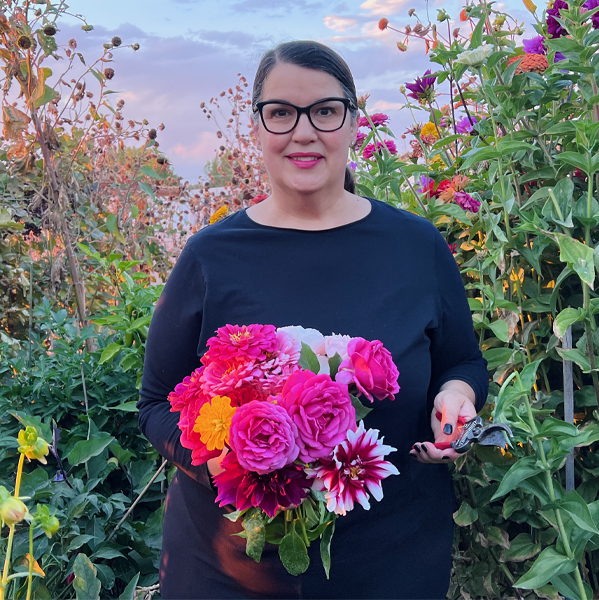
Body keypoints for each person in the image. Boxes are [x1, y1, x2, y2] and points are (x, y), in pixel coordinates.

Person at [137, 40, 488, 600]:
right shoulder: (210, 256)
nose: (304, 133)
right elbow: (155, 404)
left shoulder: (415, 248)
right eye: (281, 113)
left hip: (391, 564)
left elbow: (462, 362)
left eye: (325, 111)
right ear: (257, 127)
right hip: (228, 574)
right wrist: (235, 468)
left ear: (353, 121)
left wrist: (457, 396)